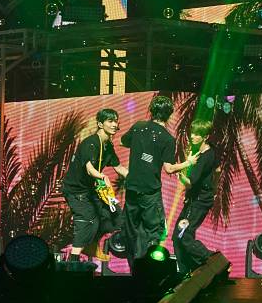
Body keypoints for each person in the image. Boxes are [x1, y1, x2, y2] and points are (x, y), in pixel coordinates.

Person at [120, 95, 196, 270]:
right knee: (154, 232)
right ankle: (149, 270)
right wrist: (188, 163)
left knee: (131, 231)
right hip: (150, 192)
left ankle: (134, 270)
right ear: (169, 114)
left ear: (152, 111)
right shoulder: (167, 139)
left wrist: (141, 152)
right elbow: (169, 168)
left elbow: (123, 142)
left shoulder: (138, 127)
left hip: (132, 188)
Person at [62, 108, 128, 266]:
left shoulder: (107, 145)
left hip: (91, 190)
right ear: (100, 124)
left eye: (116, 121)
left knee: (115, 215)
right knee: (88, 220)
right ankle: (73, 262)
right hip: (76, 191)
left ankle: (91, 246)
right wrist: (102, 176)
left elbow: (119, 168)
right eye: (110, 121)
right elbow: (89, 169)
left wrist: (138, 179)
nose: (114, 124)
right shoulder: (91, 143)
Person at [173, 119, 220, 274]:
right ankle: (188, 271)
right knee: (179, 236)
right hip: (199, 199)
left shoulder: (203, 158)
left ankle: (211, 259)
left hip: (198, 201)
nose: (192, 136)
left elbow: (189, 182)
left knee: (183, 235)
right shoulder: (211, 150)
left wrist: (180, 173)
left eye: (197, 134)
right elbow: (218, 170)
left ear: (205, 137)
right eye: (192, 133)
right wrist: (214, 189)